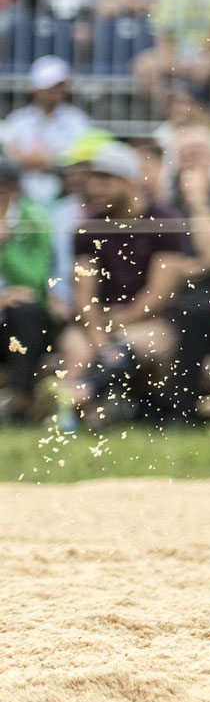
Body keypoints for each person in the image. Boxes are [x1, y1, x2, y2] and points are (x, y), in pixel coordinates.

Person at [53, 143, 197, 427]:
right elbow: (83, 295)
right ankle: (77, 418)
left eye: (104, 179)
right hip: (100, 319)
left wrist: (120, 322)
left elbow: (159, 294)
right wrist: (98, 333)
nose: (94, 188)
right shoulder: (86, 228)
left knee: (129, 345)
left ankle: (82, 397)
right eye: (91, 180)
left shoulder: (165, 222)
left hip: (149, 320)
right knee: (77, 349)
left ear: (128, 180)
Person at [0, 161, 55, 422]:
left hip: (19, 316)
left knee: (25, 312)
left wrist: (5, 245)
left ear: (11, 190)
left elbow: (34, 281)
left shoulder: (33, 218)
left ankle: (20, 405)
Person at [2, 57, 91, 203]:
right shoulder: (17, 120)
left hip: (63, 199)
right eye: (52, 86)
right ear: (36, 88)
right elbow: (11, 157)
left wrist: (28, 160)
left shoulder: (77, 119)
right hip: (20, 198)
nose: (58, 91)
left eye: (61, 86)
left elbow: (77, 158)